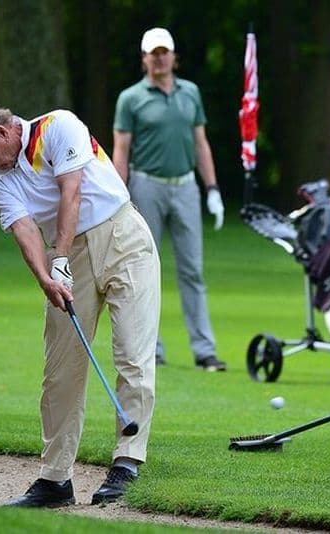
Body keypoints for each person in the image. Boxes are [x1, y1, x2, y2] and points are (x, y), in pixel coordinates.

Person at [0, 102, 160, 507]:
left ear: (4, 134)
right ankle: (55, 479)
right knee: (61, 370)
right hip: (69, 259)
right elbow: (25, 229)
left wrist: (58, 256)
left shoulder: (58, 126)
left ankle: (127, 462)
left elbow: (72, 192)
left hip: (123, 238)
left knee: (132, 354)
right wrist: (47, 277)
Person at [112, 27, 226, 372]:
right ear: (144, 58)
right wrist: (120, 196)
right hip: (146, 186)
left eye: (165, 52)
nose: (159, 58)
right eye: (153, 53)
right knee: (146, 268)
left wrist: (213, 189)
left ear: (174, 57)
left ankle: (204, 349)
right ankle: (152, 347)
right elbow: (121, 150)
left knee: (192, 269)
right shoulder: (131, 98)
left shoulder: (190, 93)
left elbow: (201, 143)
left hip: (185, 187)